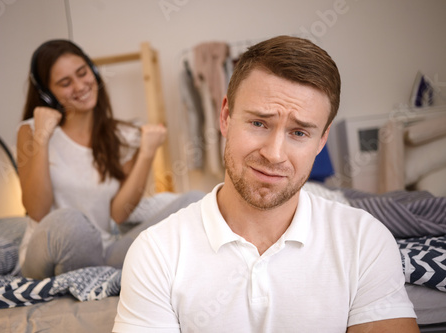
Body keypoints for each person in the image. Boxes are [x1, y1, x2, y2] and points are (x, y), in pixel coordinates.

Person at [113, 36, 420, 332]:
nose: (274, 154)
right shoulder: (156, 252)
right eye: (259, 123)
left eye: (299, 133)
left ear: (321, 141)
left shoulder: (365, 241)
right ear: (225, 117)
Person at [16, 39, 203, 280]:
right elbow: (37, 211)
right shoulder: (31, 131)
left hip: (103, 253)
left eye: (82, 73)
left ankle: (101, 277)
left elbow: (117, 215)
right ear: (47, 94)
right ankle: (100, 275)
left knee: (195, 202)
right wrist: (42, 136)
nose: (79, 86)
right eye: (65, 83)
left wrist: (146, 153)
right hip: (47, 253)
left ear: (93, 71)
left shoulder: (121, 136)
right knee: (72, 223)